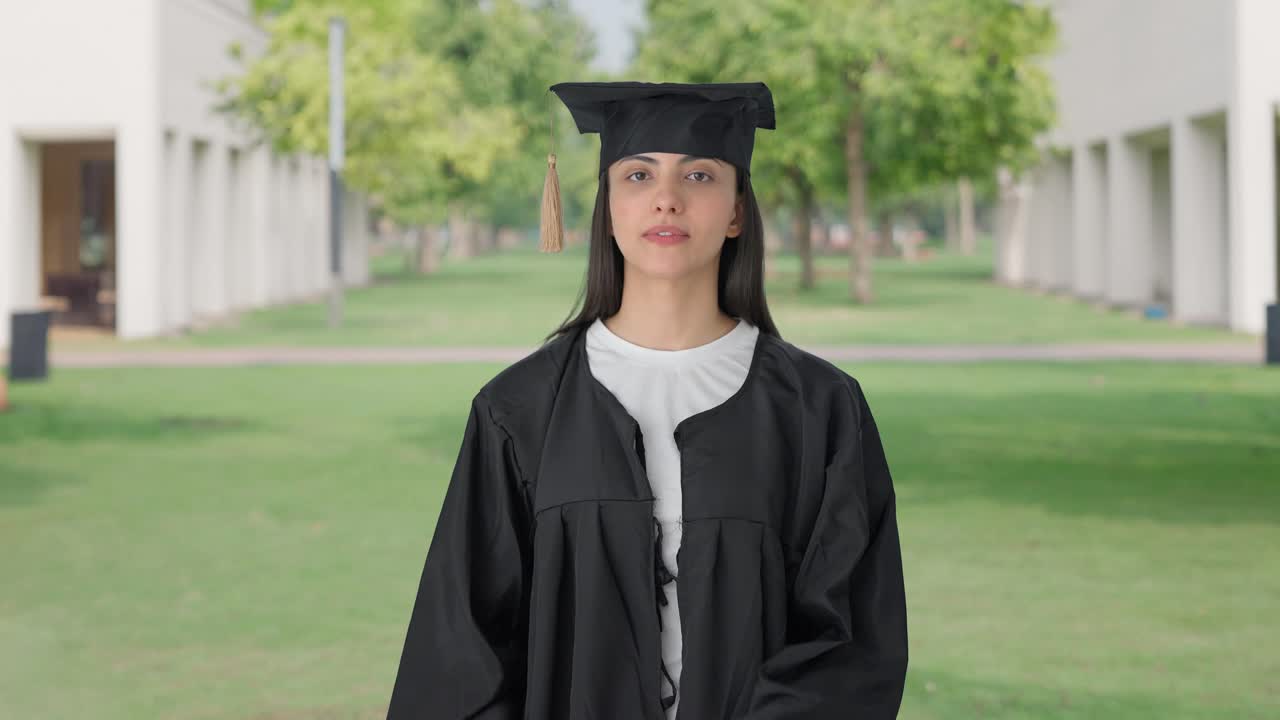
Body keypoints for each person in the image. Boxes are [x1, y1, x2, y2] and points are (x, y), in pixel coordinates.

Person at [385, 81, 908, 720]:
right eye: (638, 175)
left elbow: (852, 640)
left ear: (737, 212)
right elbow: (460, 654)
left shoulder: (819, 410)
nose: (666, 199)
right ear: (608, 208)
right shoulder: (519, 411)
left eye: (699, 175)